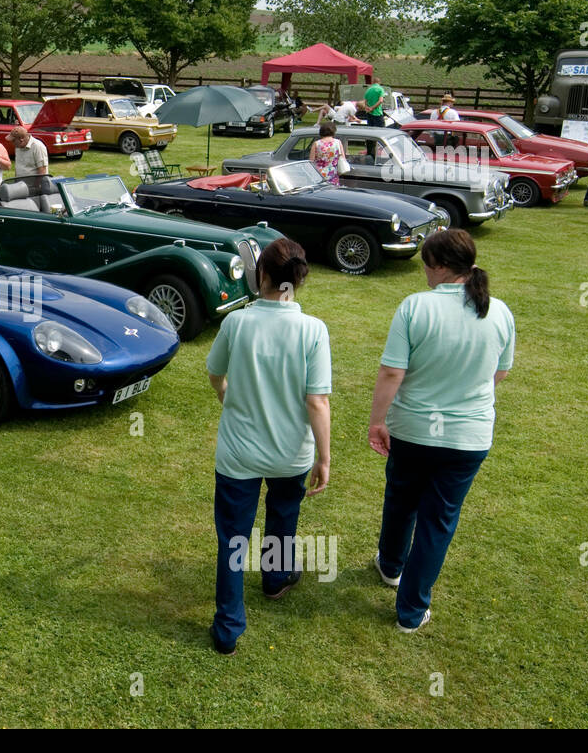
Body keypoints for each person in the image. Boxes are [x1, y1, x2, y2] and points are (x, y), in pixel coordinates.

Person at [368, 227, 514, 632]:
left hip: (412, 430)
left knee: (401, 499)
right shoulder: (499, 312)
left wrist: (377, 420)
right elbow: (499, 372)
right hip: (467, 438)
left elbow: (392, 371)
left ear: (440, 267)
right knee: (438, 520)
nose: (424, 275)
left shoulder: (415, 308)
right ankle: (410, 609)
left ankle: (391, 566)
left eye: (426, 267)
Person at [205, 238, 332, 656]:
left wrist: (230, 398)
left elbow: (215, 374)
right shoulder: (313, 330)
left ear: (262, 275)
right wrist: (324, 457)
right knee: (282, 516)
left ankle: (228, 627)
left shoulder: (237, 323)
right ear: (297, 281)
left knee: (232, 537)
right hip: (290, 453)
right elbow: (317, 400)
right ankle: (276, 579)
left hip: (239, 453)